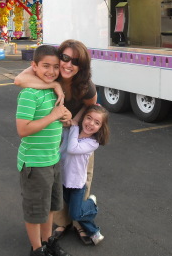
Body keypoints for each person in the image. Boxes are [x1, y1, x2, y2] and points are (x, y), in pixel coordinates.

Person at [14, 39, 98, 245]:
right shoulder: (51, 71)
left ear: (82, 66)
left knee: (79, 179)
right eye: (65, 58)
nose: (68, 65)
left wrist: (74, 122)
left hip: (76, 131)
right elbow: (19, 80)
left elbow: (91, 107)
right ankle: (63, 221)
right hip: (53, 135)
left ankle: (79, 219)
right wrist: (53, 84)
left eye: (75, 61)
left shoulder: (86, 85)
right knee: (57, 183)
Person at [16, 45, 72, 256]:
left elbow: (58, 117)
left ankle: (48, 242)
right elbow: (23, 129)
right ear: (34, 66)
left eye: (55, 67)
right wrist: (54, 115)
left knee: (49, 206)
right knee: (35, 211)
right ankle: (37, 249)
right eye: (45, 66)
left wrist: (64, 117)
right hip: (34, 162)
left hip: (52, 159)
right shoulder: (29, 94)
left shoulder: (50, 90)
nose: (51, 71)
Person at [61, 104, 109, 245]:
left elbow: (72, 148)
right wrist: (85, 107)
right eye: (89, 118)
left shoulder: (92, 142)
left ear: (101, 127)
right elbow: (72, 123)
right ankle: (94, 232)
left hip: (77, 184)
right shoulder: (74, 131)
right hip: (65, 180)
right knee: (73, 209)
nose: (91, 123)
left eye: (97, 122)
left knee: (75, 214)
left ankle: (91, 204)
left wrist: (75, 126)